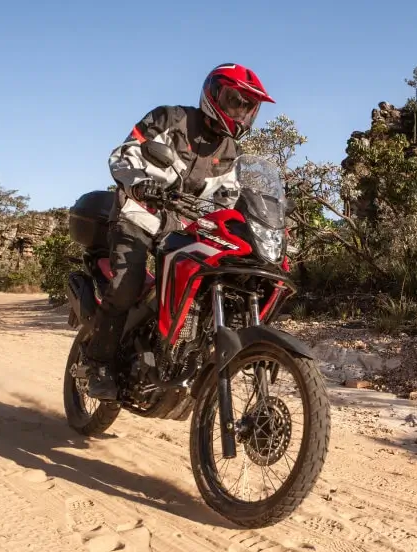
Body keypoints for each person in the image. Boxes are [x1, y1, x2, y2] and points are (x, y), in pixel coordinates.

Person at [85, 62, 275, 400]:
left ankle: (182, 356)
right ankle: (97, 363)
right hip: (138, 216)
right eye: (236, 102)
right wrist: (141, 185)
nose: (243, 114)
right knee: (127, 286)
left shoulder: (231, 151)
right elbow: (124, 154)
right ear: (214, 95)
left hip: (185, 228)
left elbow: (228, 197)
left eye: (250, 107)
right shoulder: (170, 119)